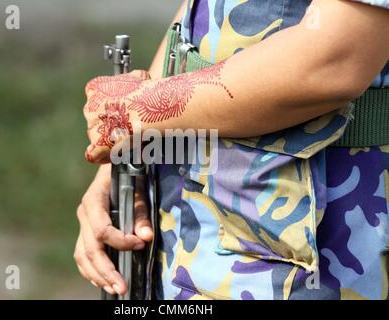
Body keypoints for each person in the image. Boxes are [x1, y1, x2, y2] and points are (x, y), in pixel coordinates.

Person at [74, 0, 389, 300]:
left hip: (298, 252)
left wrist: (137, 109)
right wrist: (127, 151)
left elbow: (337, 58)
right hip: (184, 224)